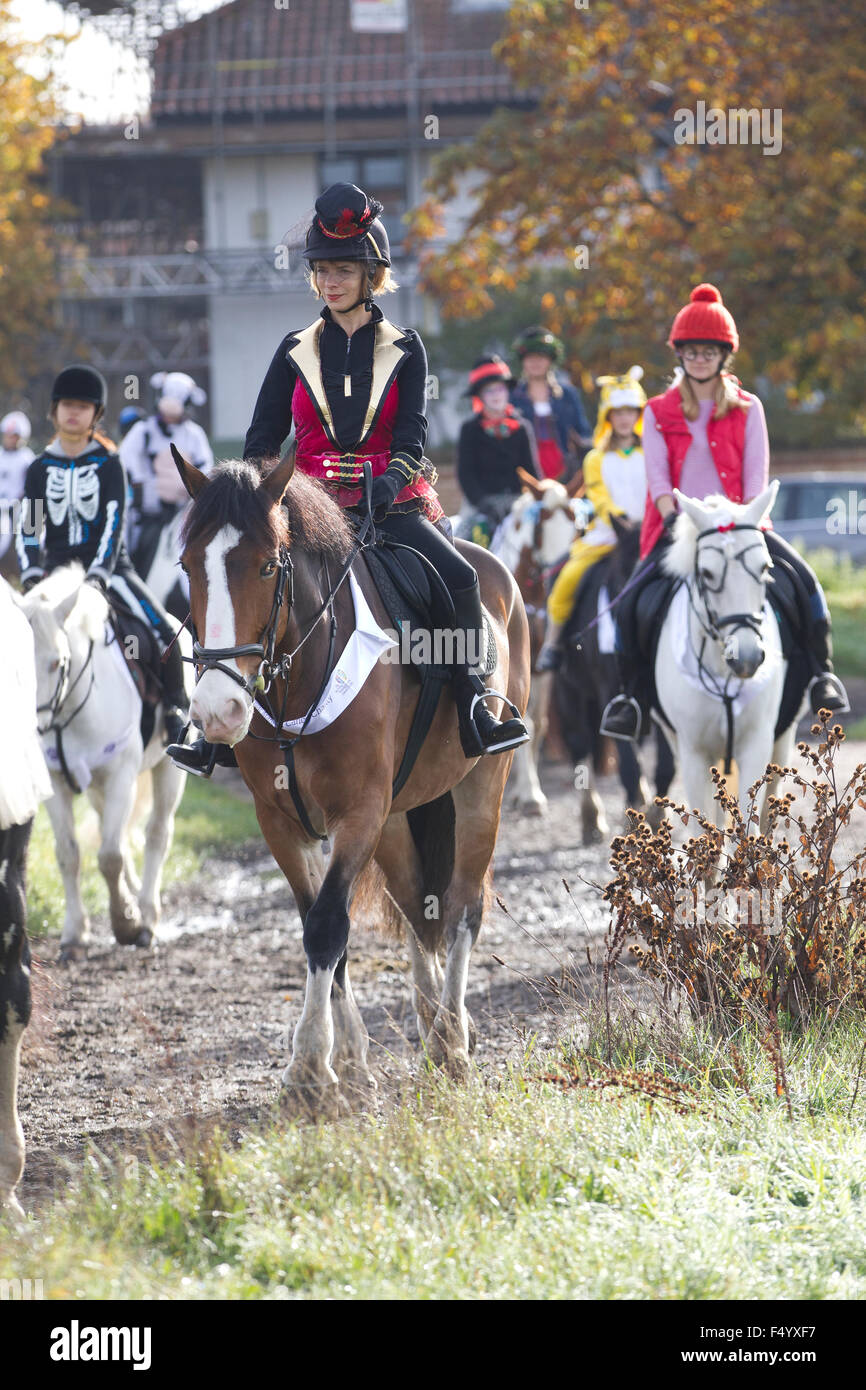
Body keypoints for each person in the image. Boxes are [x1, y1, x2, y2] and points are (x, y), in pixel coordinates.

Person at [168, 183, 530, 776]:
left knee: (464, 580)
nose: (330, 281)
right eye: (321, 270)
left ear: (372, 275)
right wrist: (258, 493)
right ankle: (208, 726)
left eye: (344, 269)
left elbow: (412, 442)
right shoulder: (292, 351)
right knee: (235, 580)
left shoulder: (406, 350)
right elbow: (261, 443)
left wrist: (382, 489)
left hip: (392, 507)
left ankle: (476, 706)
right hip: (309, 515)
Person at [600, 284, 849, 741]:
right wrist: (675, 514)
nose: (699, 359)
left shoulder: (749, 408)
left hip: (744, 524)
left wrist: (743, 520)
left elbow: (757, 476)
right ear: (680, 355)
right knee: (632, 602)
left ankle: (819, 675)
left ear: (723, 355)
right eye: (692, 351)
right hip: (681, 527)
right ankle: (630, 697)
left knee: (804, 582)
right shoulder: (655, 412)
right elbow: (658, 478)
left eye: (708, 351)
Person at [16, 365, 188, 745]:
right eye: (66, 405)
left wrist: (98, 575)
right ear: (54, 410)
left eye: (83, 406)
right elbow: (27, 527)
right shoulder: (37, 469)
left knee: (167, 632)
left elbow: (114, 525)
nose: (73, 412)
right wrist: (31, 573)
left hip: (111, 572)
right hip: (53, 572)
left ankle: (176, 710)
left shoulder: (111, 464)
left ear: (96, 414)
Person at [537, 367, 647, 671]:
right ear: (608, 416)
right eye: (618, 412)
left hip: (647, 537)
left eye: (630, 411)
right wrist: (618, 520)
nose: (624, 418)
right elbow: (598, 495)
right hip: (608, 535)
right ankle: (554, 643)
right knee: (567, 579)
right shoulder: (595, 458)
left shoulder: (651, 451)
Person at [120, 372, 212, 564]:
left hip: (183, 516)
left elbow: (206, 468)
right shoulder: (143, 430)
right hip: (146, 516)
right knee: (133, 556)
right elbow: (125, 459)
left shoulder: (194, 435)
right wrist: (140, 481)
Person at [455, 355, 542, 547]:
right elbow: (465, 474)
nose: (496, 395)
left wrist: (536, 496)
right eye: (489, 390)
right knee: (466, 542)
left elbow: (532, 471)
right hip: (481, 504)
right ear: (480, 396)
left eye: (500, 389)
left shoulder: (522, 427)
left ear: (507, 392)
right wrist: (483, 502)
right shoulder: (469, 429)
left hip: (518, 501)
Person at [510, 326, 592, 481]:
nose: (536, 362)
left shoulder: (568, 395)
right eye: (530, 357)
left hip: (567, 469)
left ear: (550, 360)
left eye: (541, 356)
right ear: (523, 360)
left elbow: (583, 431)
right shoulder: (513, 397)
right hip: (525, 471)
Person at [0, 411, 34, 568]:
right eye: (7, 435)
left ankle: (33, 560)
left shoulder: (27, 458)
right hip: (1, 506)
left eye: (13, 435)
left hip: (18, 506)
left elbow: (33, 491)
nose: (10, 439)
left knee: (33, 519)